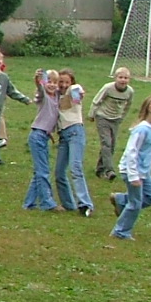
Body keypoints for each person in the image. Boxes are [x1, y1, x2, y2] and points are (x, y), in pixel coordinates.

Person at [109, 95, 151, 241]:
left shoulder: (150, 128)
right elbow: (132, 151)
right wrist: (133, 176)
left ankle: (121, 200)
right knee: (135, 203)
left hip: (143, 173)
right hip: (134, 172)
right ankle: (120, 232)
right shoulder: (141, 129)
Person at [54, 67, 95, 216]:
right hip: (63, 135)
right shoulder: (55, 95)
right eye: (61, 82)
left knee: (75, 167)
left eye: (67, 82)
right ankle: (68, 204)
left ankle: (85, 204)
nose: (64, 85)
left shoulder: (73, 89)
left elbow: (77, 94)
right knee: (59, 172)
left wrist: (77, 93)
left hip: (75, 132)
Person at [23, 69, 63, 211]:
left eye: (55, 82)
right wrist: (37, 80)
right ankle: (47, 203)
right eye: (49, 82)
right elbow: (40, 89)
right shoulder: (43, 96)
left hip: (44, 136)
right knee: (43, 171)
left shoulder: (56, 97)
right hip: (37, 136)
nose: (52, 85)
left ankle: (29, 203)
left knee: (39, 171)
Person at [89, 67, 134, 180]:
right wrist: (91, 114)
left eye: (126, 78)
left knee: (111, 146)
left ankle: (100, 169)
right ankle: (109, 170)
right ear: (115, 78)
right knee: (106, 143)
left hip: (115, 119)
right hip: (103, 117)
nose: (123, 80)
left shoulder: (129, 92)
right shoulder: (108, 88)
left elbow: (128, 106)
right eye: (120, 77)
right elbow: (96, 101)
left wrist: (121, 117)